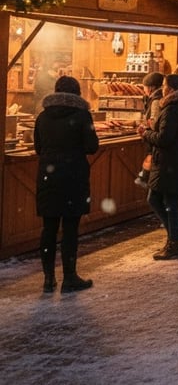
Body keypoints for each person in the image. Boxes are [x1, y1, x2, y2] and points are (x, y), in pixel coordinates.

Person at [34, 75, 99, 294]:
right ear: (77, 92)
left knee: (48, 227)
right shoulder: (82, 115)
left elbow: (38, 148)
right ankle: (69, 277)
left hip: (48, 177)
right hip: (73, 176)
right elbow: (92, 147)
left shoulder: (42, 117)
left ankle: (48, 277)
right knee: (70, 228)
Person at [142, 74, 178, 261]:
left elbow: (165, 138)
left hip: (169, 162)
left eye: (164, 85)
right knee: (158, 198)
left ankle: (174, 242)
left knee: (168, 201)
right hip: (176, 161)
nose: (162, 88)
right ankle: (175, 235)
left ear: (171, 89)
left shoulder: (171, 109)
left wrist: (147, 133)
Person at [134, 71, 165, 189]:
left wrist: (145, 128)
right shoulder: (154, 98)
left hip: (154, 143)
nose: (144, 90)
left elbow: (154, 123)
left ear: (151, 87)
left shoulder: (156, 101)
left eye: (144, 87)